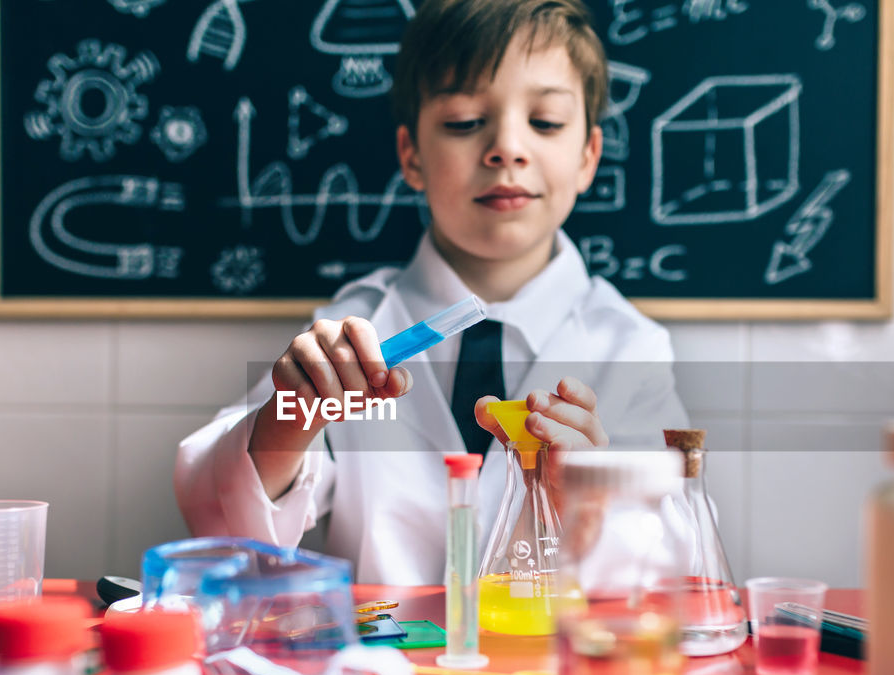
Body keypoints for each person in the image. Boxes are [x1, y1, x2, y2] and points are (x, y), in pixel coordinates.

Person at [175, 0, 688, 585]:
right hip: (383, 670)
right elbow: (212, 511)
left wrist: (596, 504)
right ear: (411, 156)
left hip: (551, 668)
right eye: (466, 121)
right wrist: (288, 422)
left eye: (545, 122)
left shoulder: (630, 348)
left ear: (588, 156)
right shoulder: (352, 329)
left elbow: (681, 560)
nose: (507, 149)